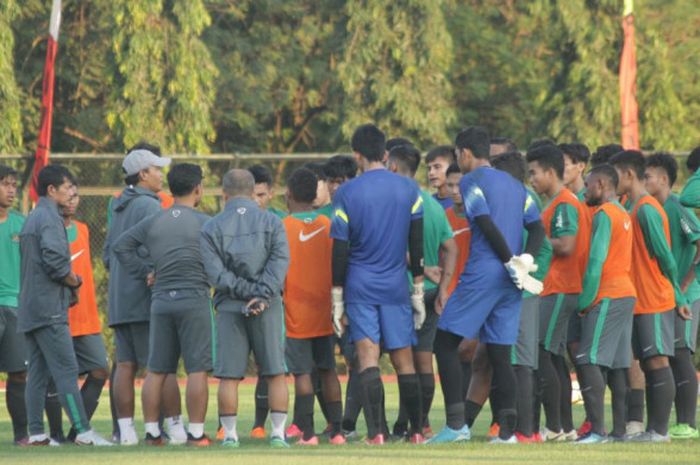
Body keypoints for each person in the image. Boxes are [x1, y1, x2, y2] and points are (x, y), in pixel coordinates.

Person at [430, 127, 544, 444]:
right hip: (511, 280)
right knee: (499, 354)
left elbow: (482, 221)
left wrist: (510, 260)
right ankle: (506, 434)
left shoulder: (471, 181)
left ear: (465, 153)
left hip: (485, 272)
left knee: (444, 343)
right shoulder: (516, 186)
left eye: (456, 155)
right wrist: (524, 262)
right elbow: (537, 229)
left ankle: (456, 427)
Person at [330, 124, 426, 445]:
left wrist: (337, 296)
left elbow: (340, 250)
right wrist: (418, 288)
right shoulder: (410, 190)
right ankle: (414, 432)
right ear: (385, 154)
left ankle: (377, 433)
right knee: (404, 359)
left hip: (360, 285)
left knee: (368, 357)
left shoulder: (346, 193)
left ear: (357, 155)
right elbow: (416, 241)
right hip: (396, 285)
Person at [113, 163, 213, 446]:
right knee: (196, 369)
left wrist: (146, 270)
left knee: (156, 369)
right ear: (198, 189)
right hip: (193, 298)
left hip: (160, 301)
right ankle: (195, 434)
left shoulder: (155, 219)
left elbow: (121, 246)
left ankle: (152, 433)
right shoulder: (206, 222)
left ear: (170, 189)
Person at [18, 165, 111, 446]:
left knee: (37, 374)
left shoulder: (33, 217)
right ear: (51, 190)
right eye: (68, 187)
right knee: (66, 371)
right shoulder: (50, 219)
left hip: (31, 307)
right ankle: (83, 431)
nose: (72, 193)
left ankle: (36, 434)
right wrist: (75, 281)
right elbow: (56, 263)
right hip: (50, 308)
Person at [201, 169, 290, 449]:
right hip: (268, 305)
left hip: (230, 305)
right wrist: (261, 294)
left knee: (229, 374)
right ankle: (277, 433)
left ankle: (230, 435)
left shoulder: (211, 228)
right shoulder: (273, 222)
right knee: (275, 371)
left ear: (224, 194)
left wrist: (244, 291)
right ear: (254, 193)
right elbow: (279, 263)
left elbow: (216, 274)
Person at [103, 147, 183, 445]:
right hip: (144, 299)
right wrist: (148, 271)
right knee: (161, 365)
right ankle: (169, 429)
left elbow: (109, 255)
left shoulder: (119, 206)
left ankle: (125, 433)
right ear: (142, 174)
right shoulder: (149, 206)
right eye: (156, 169)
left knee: (125, 365)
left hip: (119, 299)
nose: (161, 174)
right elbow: (158, 250)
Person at [609, 150, 689, 442]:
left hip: (654, 298)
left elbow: (666, 257)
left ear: (629, 175)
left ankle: (660, 432)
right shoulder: (632, 207)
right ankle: (651, 429)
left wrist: (679, 297)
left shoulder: (646, 209)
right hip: (638, 300)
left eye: (615, 173)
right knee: (646, 363)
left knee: (657, 362)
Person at [387, 145, 458, 439]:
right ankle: (419, 426)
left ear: (392, 166)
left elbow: (388, 246)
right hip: (430, 293)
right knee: (424, 360)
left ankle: (401, 426)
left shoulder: (393, 202)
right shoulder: (431, 205)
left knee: (402, 361)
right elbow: (451, 248)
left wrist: (417, 266)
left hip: (401, 290)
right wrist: (443, 288)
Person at [526, 144, 588, 441]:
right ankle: (565, 427)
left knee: (542, 353)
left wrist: (532, 245)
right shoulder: (553, 204)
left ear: (551, 172)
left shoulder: (563, 203)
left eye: (534, 173)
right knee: (553, 357)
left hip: (560, 288)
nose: (531, 179)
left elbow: (565, 244)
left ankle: (554, 427)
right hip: (556, 288)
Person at [281, 167, 345, 445]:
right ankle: (338, 432)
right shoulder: (328, 223)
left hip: (296, 312)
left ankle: (307, 434)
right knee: (329, 369)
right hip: (326, 309)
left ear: (289, 194)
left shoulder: (282, 227)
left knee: (303, 373)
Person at [574, 165, 637, 443]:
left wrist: (586, 301)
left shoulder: (604, 214)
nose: (585, 190)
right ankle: (619, 431)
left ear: (600, 184)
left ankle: (597, 432)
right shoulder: (623, 214)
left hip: (608, 294)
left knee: (587, 360)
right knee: (619, 365)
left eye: (588, 185)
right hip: (626, 294)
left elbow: (596, 262)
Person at [644, 153, 700, 439]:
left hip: (687, 294)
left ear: (664, 179)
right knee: (667, 353)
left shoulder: (677, 207)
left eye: (648, 176)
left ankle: (687, 424)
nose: (644, 181)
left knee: (680, 354)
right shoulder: (653, 208)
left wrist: (686, 283)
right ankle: (662, 424)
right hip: (667, 294)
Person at [59, 189, 110, 442]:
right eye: (66, 193)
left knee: (100, 370)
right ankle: (54, 436)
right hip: (57, 317)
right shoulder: (45, 230)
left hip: (86, 316)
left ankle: (76, 435)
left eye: (76, 194)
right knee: (53, 378)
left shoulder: (83, 229)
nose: (72, 199)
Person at [0, 165, 29, 445]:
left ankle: (22, 435)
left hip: (15, 307)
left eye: (13, 185)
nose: (11, 190)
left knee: (19, 373)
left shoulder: (22, 224)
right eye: (5, 184)